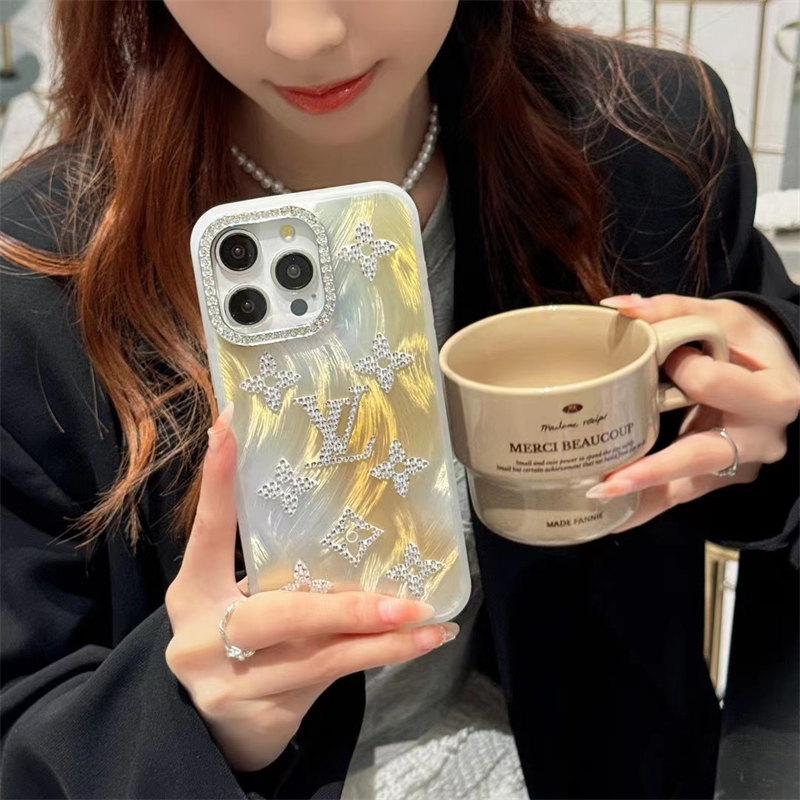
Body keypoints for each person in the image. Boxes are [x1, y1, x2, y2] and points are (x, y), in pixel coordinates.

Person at [1, 1, 798, 798]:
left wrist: (766, 403)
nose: (304, 38)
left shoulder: (646, 143)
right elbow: (24, 722)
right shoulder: (36, 284)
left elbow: (757, 438)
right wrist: (190, 725)